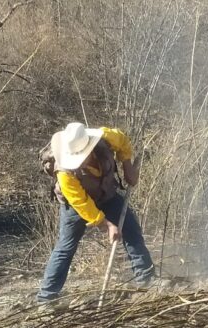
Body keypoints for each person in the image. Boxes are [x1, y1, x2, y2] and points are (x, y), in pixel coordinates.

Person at [37, 122, 154, 303]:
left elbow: (123, 141)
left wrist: (127, 167)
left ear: (89, 147)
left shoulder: (105, 137)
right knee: (66, 247)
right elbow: (81, 203)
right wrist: (106, 225)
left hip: (106, 194)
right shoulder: (64, 173)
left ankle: (147, 280)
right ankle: (46, 298)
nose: (80, 161)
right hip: (75, 206)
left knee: (131, 229)